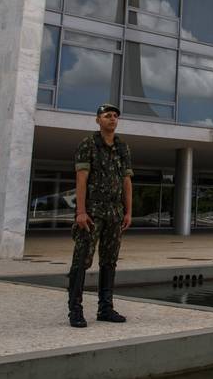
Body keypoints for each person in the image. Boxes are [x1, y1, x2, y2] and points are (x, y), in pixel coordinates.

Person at [67, 103, 133, 329]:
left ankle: (106, 308)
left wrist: (128, 211)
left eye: (115, 116)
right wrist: (81, 211)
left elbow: (126, 181)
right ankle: (75, 310)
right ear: (98, 120)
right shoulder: (88, 144)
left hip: (115, 212)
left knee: (109, 260)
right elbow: (81, 179)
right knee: (82, 259)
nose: (112, 119)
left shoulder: (122, 147)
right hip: (93, 211)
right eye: (107, 116)